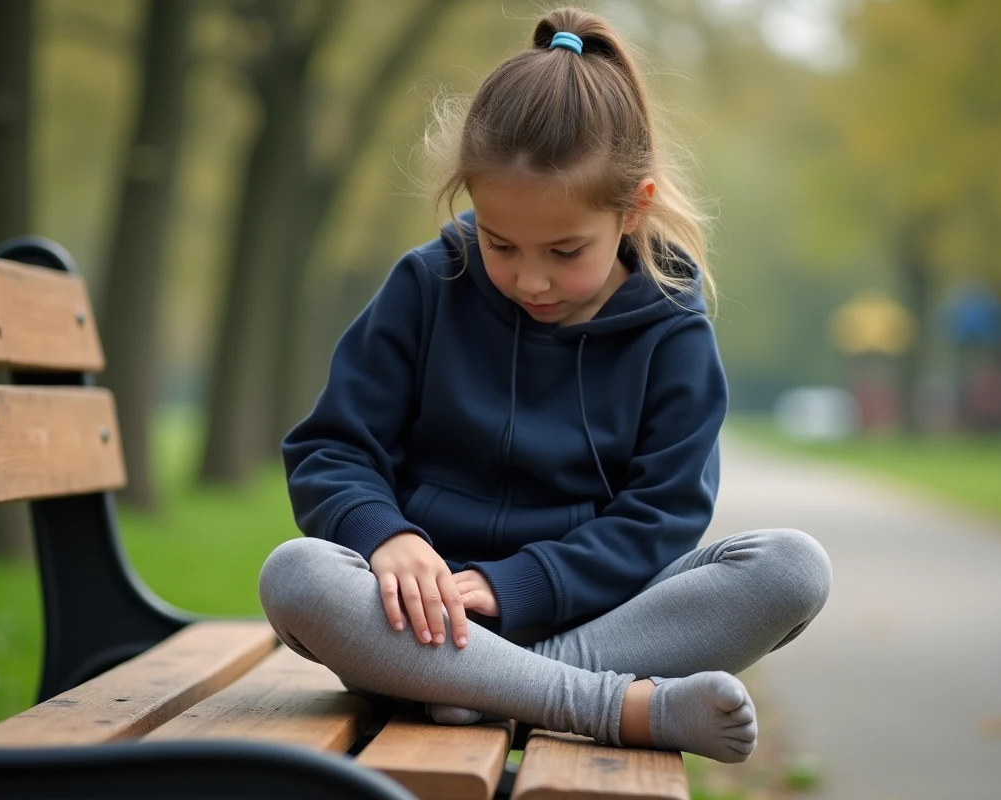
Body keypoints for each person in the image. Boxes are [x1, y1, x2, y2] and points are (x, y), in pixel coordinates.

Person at [259, 7, 831, 763]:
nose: (531, 278)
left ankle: (481, 690)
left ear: (635, 210)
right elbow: (331, 447)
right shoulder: (428, 284)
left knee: (792, 567)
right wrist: (388, 537)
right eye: (500, 244)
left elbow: (661, 515)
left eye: (565, 250)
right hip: (425, 622)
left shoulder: (673, 329)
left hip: (593, 616)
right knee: (297, 575)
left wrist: (522, 584)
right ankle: (615, 707)